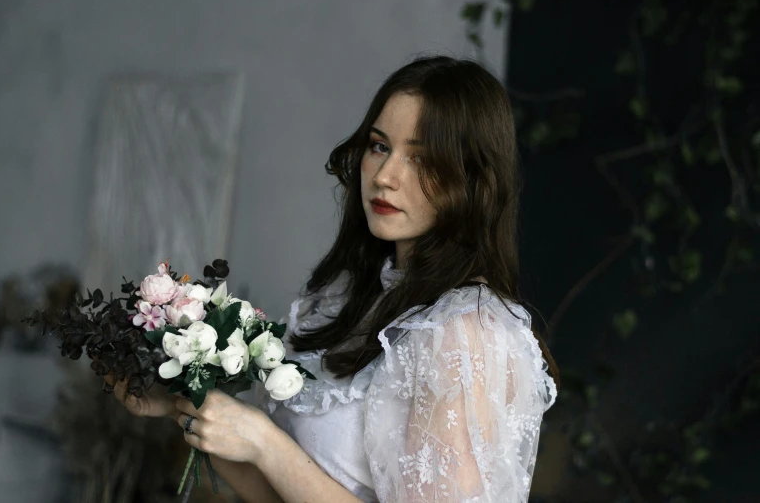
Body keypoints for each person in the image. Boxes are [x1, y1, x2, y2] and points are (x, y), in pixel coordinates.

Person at [107, 55, 559, 502]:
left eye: (422, 159)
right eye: (380, 146)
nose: (384, 176)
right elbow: (277, 494)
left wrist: (266, 442)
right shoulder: (347, 298)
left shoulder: (465, 333)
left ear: (473, 180)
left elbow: (276, 455)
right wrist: (183, 403)